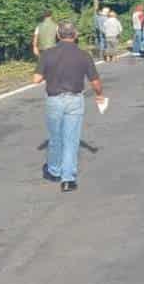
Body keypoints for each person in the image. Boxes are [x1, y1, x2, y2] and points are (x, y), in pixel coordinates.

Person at [33, 21, 105, 192]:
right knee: (71, 139)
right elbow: (95, 82)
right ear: (76, 35)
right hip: (74, 99)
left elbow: (36, 79)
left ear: (58, 35)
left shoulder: (48, 54)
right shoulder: (83, 55)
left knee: (55, 137)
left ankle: (54, 170)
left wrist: (48, 73)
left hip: (54, 99)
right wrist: (99, 95)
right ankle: (68, 179)